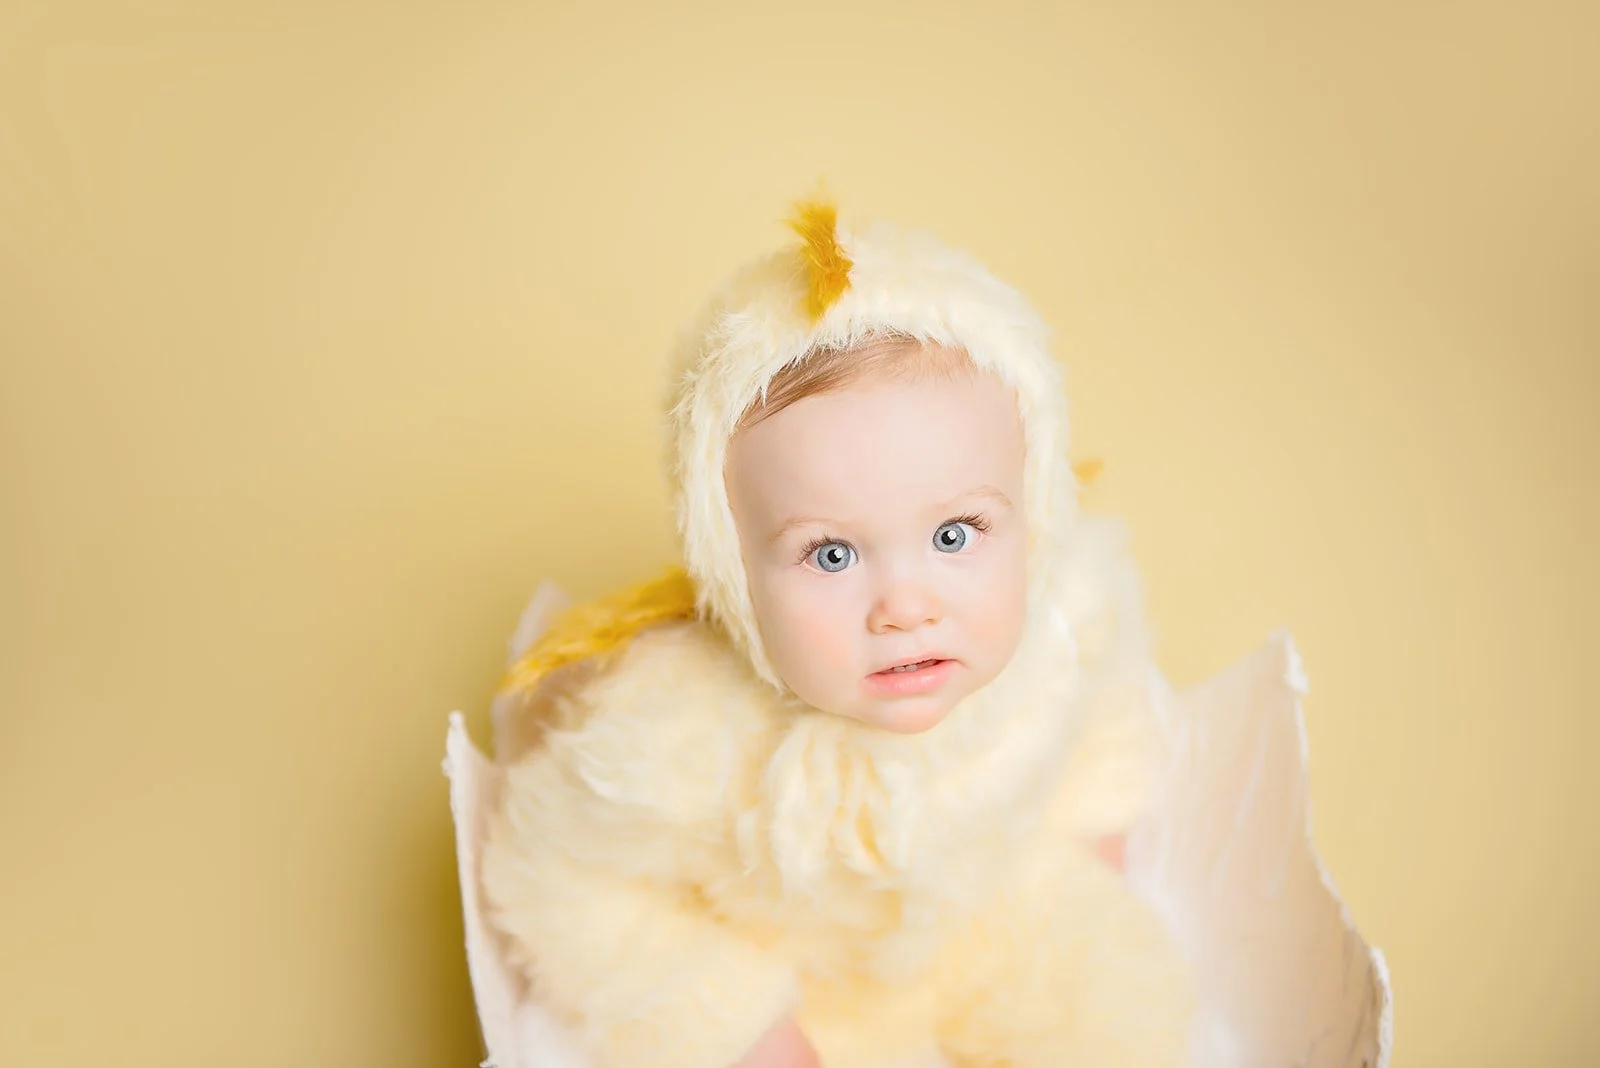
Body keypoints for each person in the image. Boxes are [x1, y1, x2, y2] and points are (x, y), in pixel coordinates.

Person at [480, 199, 1192, 1067]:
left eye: (954, 535)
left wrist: (1093, 825)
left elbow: (1109, 694)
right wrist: (735, 1021)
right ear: (732, 569)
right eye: (831, 554)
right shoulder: (672, 731)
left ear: (1032, 516)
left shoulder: (1068, 609)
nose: (904, 607)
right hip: (794, 971)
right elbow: (555, 873)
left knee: (1116, 1019)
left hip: (997, 909)